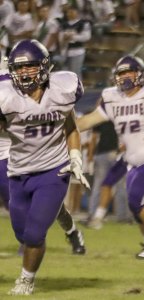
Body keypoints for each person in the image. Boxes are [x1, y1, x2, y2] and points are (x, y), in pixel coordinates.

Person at [76, 55, 144, 259]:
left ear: (140, 74)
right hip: (133, 160)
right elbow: (88, 121)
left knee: (138, 195)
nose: (125, 76)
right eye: (121, 73)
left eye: (129, 72)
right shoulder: (111, 97)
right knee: (135, 203)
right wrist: (57, 126)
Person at [1, 39, 90, 295]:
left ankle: (26, 279)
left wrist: (75, 157)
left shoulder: (64, 87)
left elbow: (70, 125)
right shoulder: (4, 94)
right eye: (19, 68)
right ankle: (55, 213)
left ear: (44, 66)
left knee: (34, 234)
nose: (24, 73)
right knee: (22, 233)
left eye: (30, 66)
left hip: (54, 169)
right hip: (18, 172)